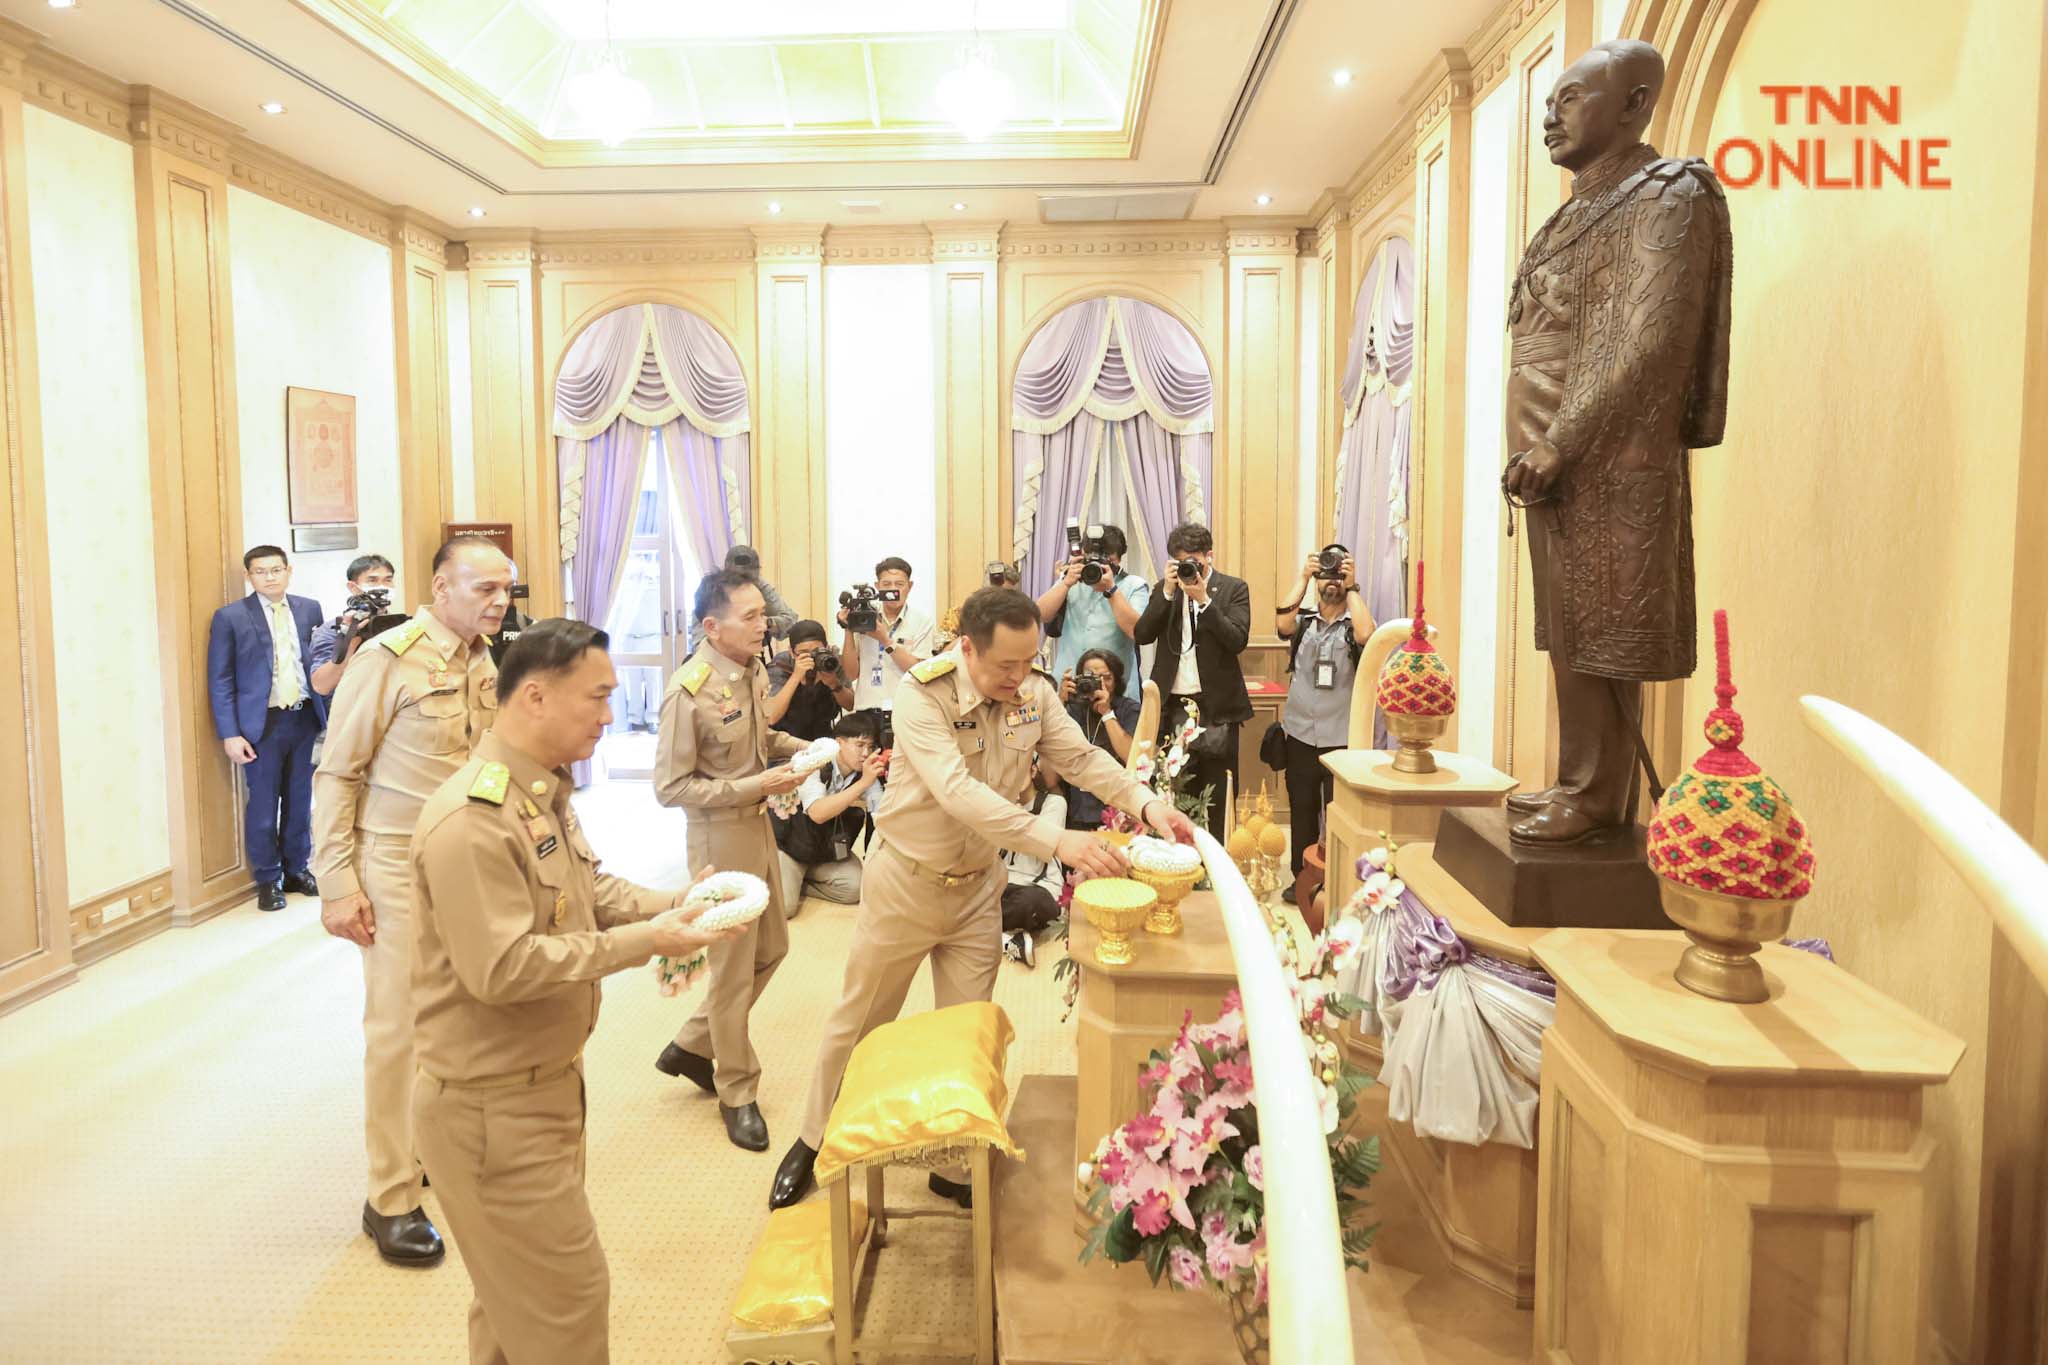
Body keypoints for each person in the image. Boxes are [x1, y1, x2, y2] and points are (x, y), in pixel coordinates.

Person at [769, 586, 1198, 1211]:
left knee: (964, 1033)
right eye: (1006, 666)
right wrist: (1060, 843)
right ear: (966, 648)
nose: (1019, 678)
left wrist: (1146, 801)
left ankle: (951, 1158)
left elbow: (1078, 757)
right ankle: (812, 1138)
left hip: (977, 892)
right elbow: (958, 792)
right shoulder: (922, 696)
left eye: (1029, 663)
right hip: (905, 886)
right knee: (860, 1020)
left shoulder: (1034, 691)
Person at [410, 618, 740, 1365]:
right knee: (566, 1307)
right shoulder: (472, 819)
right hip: (492, 1107)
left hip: (544, 1087)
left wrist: (672, 905)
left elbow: (587, 888)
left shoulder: (540, 793)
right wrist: (649, 943)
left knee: (512, 1306)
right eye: (596, 697)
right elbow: (500, 968)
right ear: (534, 695)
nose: (607, 715)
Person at [1499, 39, 1730, 845]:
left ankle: (1597, 796)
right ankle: (1578, 782)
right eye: (1549, 101)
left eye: (1568, 99)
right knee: (1570, 630)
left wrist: (1561, 441)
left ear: (1633, 105)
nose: (1548, 117)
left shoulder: (1669, 194)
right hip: (1553, 468)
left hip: (1605, 457)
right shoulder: (1581, 209)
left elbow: (1648, 339)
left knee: (1607, 630)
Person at [312, 533, 509, 1267]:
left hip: (462, 863)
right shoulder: (385, 659)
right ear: (439, 587)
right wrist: (337, 881)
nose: (497, 601)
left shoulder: (485, 660)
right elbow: (338, 773)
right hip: (392, 865)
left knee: (454, 1014)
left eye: (504, 589)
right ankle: (389, 1194)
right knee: (396, 1027)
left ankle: (432, 1150)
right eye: (483, 588)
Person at [650, 571, 808, 1152]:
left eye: (762, 614)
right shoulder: (687, 691)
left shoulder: (751, 671)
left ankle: (692, 1044)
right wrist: (749, 787)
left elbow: (760, 740)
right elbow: (670, 788)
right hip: (718, 838)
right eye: (749, 616)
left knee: (773, 948)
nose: (762, 624)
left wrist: (809, 751)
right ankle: (736, 1090)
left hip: (757, 824)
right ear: (712, 627)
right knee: (734, 968)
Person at [207, 544, 327, 912]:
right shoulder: (230, 617)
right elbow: (221, 679)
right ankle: (268, 878)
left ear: (289, 571)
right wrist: (230, 733)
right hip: (262, 725)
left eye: (276, 570)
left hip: (305, 717)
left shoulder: (310, 609)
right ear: (249, 576)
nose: (269, 577)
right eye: (260, 571)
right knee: (262, 805)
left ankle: (297, 869)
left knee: (300, 800)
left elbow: (321, 662)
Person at [1133, 522, 1252, 839]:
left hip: (1215, 709)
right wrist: (1168, 593)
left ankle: (1215, 869)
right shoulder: (1164, 589)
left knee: (1216, 797)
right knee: (1177, 794)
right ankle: (1182, 864)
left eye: (1194, 561)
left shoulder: (1232, 589)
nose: (1188, 568)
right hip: (1172, 708)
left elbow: (1237, 640)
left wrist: (1204, 601)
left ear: (1209, 557)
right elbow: (1142, 634)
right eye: (1180, 561)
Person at [1275, 546, 1372, 901]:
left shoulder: (1353, 622)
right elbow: (1282, 622)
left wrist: (1353, 587)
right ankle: (1301, 880)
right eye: (1325, 573)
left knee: (1338, 816)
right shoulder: (1304, 621)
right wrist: (1303, 577)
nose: (1331, 580)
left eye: (1338, 573)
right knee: (1302, 810)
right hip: (1299, 734)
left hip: (1340, 739)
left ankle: (1336, 881)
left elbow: (1366, 636)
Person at [773, 712, 887, 916]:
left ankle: (801, 883)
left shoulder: (863, 772)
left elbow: (881, 814)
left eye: (870, 747)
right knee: (786, 909)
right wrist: (863, 783)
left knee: (855, 888)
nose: (865, 753)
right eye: (859, 745)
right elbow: (817, 813)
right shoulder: (813, 762)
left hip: (822, 849)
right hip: (790, 846)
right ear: (839, 743)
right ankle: (782, 876)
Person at [1037, 523, 1150, 703]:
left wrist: (1111, 590)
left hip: (1115, 691)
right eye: (1093, 559)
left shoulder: (1134, 585)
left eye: (1106, 561)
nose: (1098, 566)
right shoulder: (1072, 580)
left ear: (1118, 560)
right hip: (1069, 685)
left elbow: (1136, 631)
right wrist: (1065, 583)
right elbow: (1040, 614)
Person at [840, 556, 933, 725]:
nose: (893, 590)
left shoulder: (922, 622)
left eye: (899, 584)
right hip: (866, 712)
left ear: (909, 586)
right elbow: (850, 674)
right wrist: (848, 628)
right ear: (877, 587)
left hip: (906, 713)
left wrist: (886, 640)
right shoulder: (863, 616)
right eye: (886, 585)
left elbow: (920, 672)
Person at [1058, 648, 1142, 832]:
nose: (1098, 684)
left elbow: (1132, 757)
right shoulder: (1072, 710)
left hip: (1117, 814)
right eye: (1090, 677)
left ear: (1117, 681)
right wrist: (1059, 705)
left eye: (1106, 678)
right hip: (1076, 812)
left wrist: (1107, 713)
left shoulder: (1129, 709)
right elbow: (1051, 765)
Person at [1000, 759, 1067, 968]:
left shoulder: (1054, 802)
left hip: (1039, 890)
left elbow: (1039, 844)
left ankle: (981, 932)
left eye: (1019, 771)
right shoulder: (998, 806)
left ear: (1033, 770)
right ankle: (1006, 941)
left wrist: (1013, 814)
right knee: (963, 899)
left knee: (1028, 904)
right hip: (1004, 886)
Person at [309, 553, 397, 696]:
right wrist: (348, 641)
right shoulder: (333, 629)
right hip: (353, 709)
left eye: (388, 580)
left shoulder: (401, 625)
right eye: (372, 580)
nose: (382, 587)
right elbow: (321, 686)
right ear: (353, 587)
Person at [764, 620, 854, 741]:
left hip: (823, 740)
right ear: (792, 652)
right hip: (784, 742)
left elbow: (850, 705)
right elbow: (771, 716)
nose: (812, 657)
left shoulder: (831, 662)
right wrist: (796, 677)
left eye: (817, 651)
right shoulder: (780, 666)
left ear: (826, 647)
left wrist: (834, 685)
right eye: (803, 653)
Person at [725, 545, 797, 641]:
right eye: (738, 577)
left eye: (747, 577)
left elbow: (791, 620)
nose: (743, 582)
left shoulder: (761, 586)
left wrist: (768, 622)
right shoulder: (712, 590)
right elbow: (700, 638)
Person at [485, 561, 534, 668]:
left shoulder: (528, 626)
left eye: (507, 588)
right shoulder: (466, 631)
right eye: (489, 588)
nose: (501, 599)